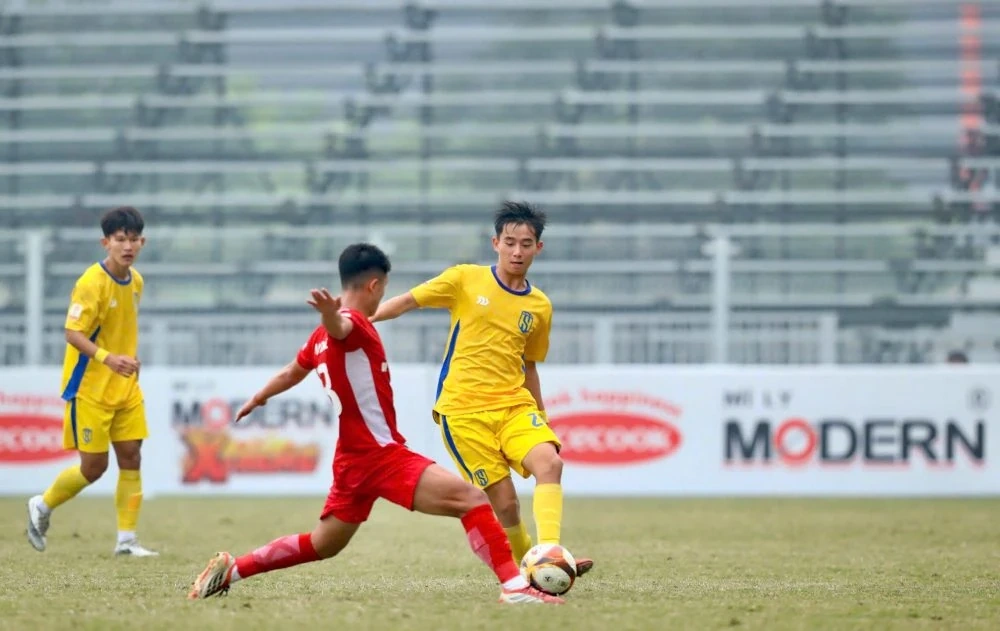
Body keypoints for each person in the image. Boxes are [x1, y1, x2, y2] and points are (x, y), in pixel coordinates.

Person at [188, 243, 563, 605]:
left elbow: (292, 371)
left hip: (352, 459)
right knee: (472, 500)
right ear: (375, 285)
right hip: (380, 455)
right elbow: (341, 326)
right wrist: (329, 315)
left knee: (324, 544)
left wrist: (260, 397)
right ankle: (515, 588)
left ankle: (233, 569)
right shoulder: (353, 324)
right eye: (382, 289)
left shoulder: (318, 340)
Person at [371, 201, 592, 575]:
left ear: (538, 247)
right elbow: (406, 302)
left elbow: (529, 365)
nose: (517, 251)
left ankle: (550, 552)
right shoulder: (465, 279)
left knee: (550, 463)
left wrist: (540, 414)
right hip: (464, 413)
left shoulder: (539, 306)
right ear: (495, 243)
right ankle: (530, 570)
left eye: (526, 243)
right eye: (510, 242)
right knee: (506, 505)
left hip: (514, 407)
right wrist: (358, 318)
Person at [26, 206, 157, 557]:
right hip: (90, 388)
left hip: (125, 386)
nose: (127, 246)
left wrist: (129, 358)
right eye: (120, 240)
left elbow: (120, 330)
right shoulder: (90, 283)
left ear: (142, 242)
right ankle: (43, 504)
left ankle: (127, 541)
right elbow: (72, 332)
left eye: (133, 240)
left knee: (132, 456)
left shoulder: (137, 281)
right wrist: (108, 358)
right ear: (105, 243)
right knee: (94, 467)